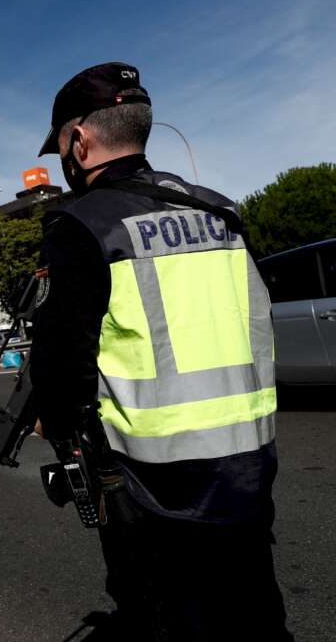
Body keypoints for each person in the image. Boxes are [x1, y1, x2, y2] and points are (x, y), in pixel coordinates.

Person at [29, 63, 291, 641]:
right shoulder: (221, 211)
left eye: (62, 150)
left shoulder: (82, 224)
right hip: (248, 462)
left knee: (166, 621)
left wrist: (58, 425)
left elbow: (62, 366)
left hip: (152, 486)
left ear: (80, 140)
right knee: (256, 614)